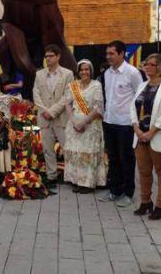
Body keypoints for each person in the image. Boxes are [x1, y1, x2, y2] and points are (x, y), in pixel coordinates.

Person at [131, 54, 161, 220]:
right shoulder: (142, 85)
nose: (147, 67)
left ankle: (160, 205)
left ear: (160, 67)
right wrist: (137, 128)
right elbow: (133, 107)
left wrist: (151, 133)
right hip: (140, 135)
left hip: (159, 135)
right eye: (146, 64)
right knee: (144, 171)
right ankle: (145, 202)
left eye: (151, 64)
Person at [99, 40, 143, 207]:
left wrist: (134, 121)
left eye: (111, 53)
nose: (108, 57)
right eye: (107, 53)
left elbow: (140, 97)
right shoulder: (107, 73)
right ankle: (114, 190)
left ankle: (128, 193)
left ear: (122, 53)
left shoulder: (133, 73)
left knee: (127, 159)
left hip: (125, 123)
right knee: (113, 158)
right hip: (109, 121)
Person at [33, 44, 74, 187]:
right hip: (44, 118)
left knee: (67, 147)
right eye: (46, 56)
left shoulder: (68, 74)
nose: (48, 59)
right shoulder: (39, 74)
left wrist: (52, 112)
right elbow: (36, 94)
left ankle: (71, 176)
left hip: (61, 117)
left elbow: (68, 96)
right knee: (47, 148)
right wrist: (45, 111)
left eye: (51, 56)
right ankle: (51, 176)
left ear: (58, 56)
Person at [63, 59, 107, 193]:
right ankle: (77, 180)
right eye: (82, 69)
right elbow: (67, 104)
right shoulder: (72, 85)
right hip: (74, 123)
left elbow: (98, 107)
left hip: (91, 124)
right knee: (75, 152)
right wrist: (74, 121)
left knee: (88, 153)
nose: (84, 72)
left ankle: (88, 183)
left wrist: (84, 122)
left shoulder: (96, 85)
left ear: (91, 71)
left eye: (87, 69)